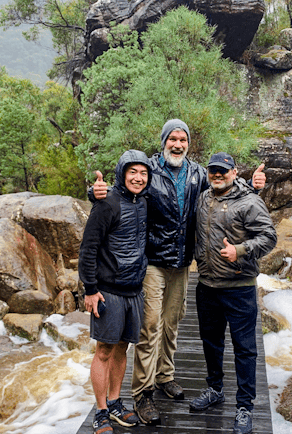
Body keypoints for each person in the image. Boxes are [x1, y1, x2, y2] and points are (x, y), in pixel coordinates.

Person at [92, 119, 266, 425]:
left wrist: (253, 187)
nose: (178, 144)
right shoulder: (148, 169)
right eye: (172, 138)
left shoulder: (198, 173)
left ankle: (165, 375)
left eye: (183, 139)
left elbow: (224, 189)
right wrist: (95, 193)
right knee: (150, 327)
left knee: (172, 323)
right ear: (163, 142)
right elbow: (123, 185)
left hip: (183, 263)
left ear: (188, 144)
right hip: (153, 262)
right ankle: (143, 392)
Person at [189, 152, 277, 434]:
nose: (217, 175)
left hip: (239, 288)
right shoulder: (203, 198)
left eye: (223, 171)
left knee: (245, 349)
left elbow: (269, 237)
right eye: (213, 170)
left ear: (234, 172)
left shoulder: (250, 201)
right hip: (207, 286)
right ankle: (215, 389)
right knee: (211, 343)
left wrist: (238, 251)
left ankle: (244, 407)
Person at [79, 150, 151, 434]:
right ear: (122, 173)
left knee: (123, 348)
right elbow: (88, 248)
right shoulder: (107, 203)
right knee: (105, 350)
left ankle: (115, 403)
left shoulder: (145, 201)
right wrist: (90, 289)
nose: (138, 177)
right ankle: (100, 412)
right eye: (132, 172)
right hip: (108, 290)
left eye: (143, 173)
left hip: (134, 288)